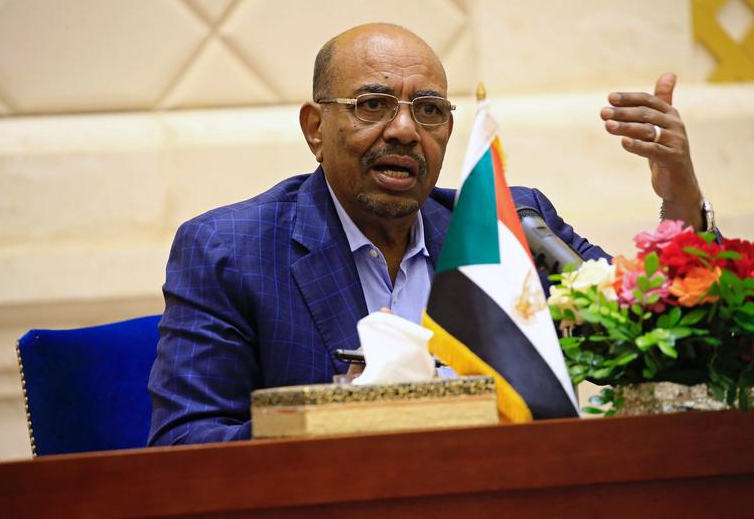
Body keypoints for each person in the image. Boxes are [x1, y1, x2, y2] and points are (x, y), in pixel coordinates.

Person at [148, 23, 710, 445]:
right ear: (316, 129)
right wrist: (342, 416)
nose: (403, 130)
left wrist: (679, 196)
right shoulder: (230, 249)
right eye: (373, 105)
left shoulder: (507, 228)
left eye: (429, 110)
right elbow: (185, 446)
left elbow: (653, 332)